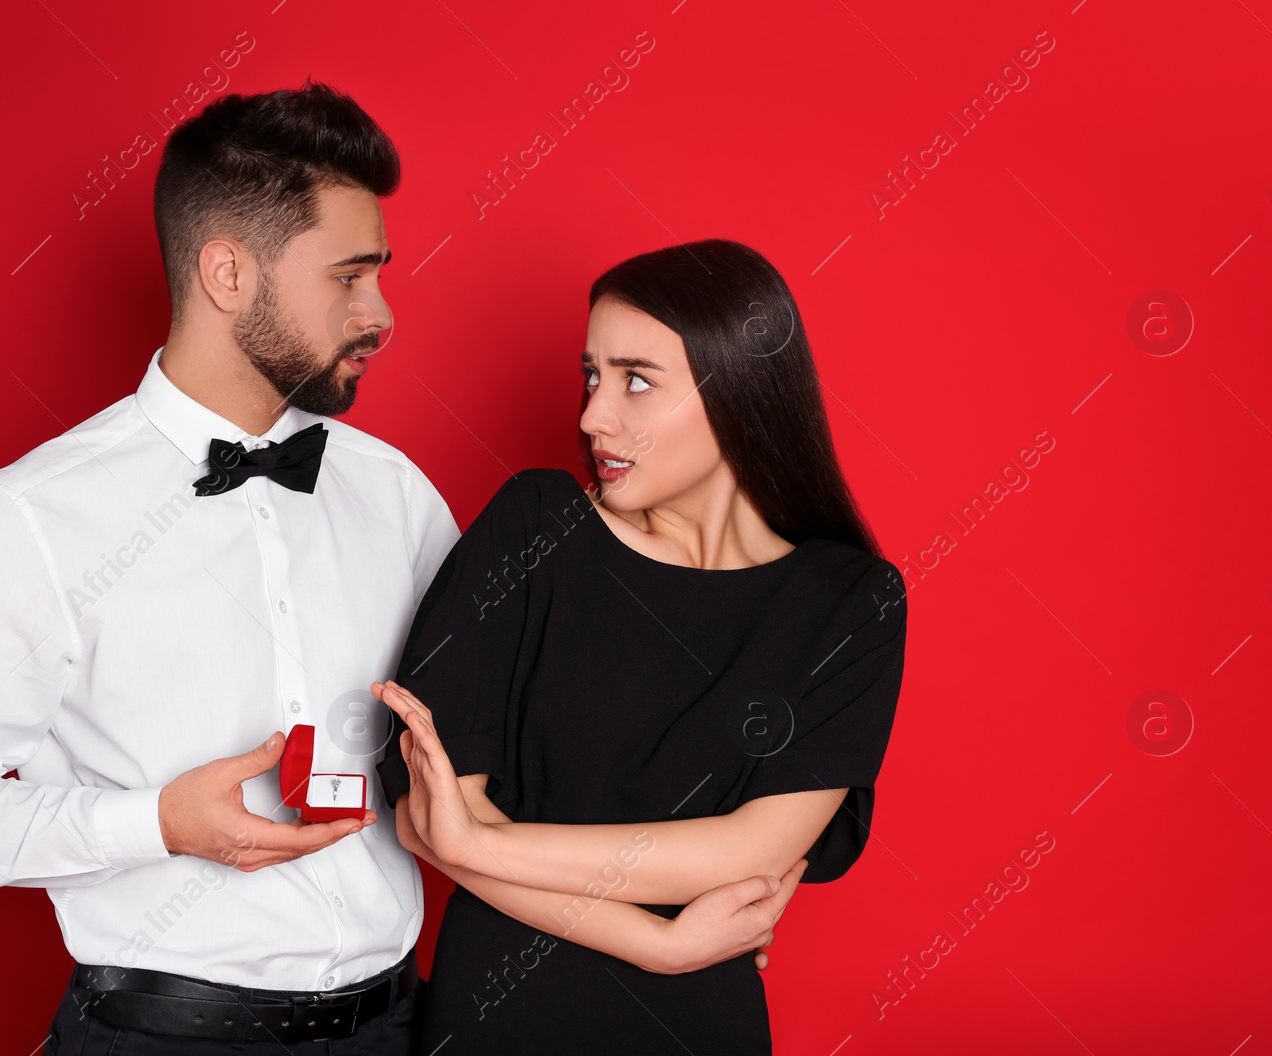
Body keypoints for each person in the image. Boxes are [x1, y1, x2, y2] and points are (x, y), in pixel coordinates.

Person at [0, 83, 795, 1055]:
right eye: (348, 278)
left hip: (400, 1027)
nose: (382, 313)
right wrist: (157, 824)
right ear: (227, 273)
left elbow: (515, 743)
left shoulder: (395, 495)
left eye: (379, 275)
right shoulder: (32, 517)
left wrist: (669, 907)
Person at [375, 239, 910, 1055]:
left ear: (740, 389)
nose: (594, 415)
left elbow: (749, 849)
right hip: (498, 1017)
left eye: (636, 379)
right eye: (591, 375)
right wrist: (658, 943)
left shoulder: (850, 602)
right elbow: (425, 817)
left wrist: (478, 840)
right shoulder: (536, 528)